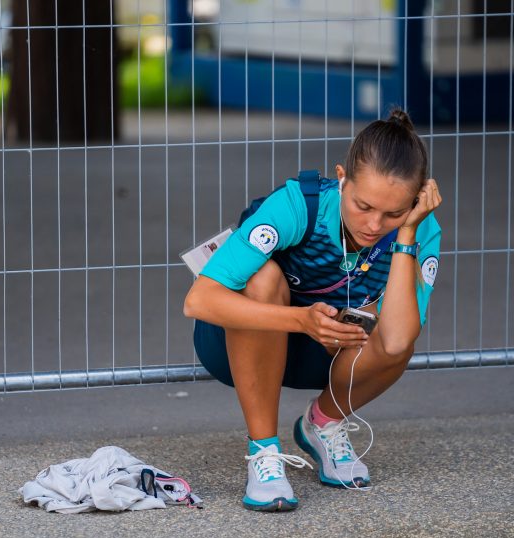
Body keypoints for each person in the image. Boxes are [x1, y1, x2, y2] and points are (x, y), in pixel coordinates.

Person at [183, 108, 442, 512]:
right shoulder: (297, 205)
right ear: (342, 178)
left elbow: (396, 340)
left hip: (325, 352)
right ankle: (264, 453)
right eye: (363, 205)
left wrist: (407, 234)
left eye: (394, 213)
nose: (374, 224)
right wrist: (301, 320)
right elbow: (199, 300)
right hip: (240, 343)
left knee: (397, 337)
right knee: (262, 277)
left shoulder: (421, 228)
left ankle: (322, 424)